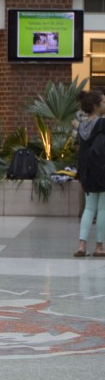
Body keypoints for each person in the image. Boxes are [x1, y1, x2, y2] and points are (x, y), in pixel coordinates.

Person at [74, 89, 105, 257]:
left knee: (89, 208)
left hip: (86, 171)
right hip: (102, 170)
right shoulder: (102, 123)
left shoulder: (82, 125)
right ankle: (99, 247)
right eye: (104, 102)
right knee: (102, 209)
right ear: (96, 106)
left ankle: (82, 245)